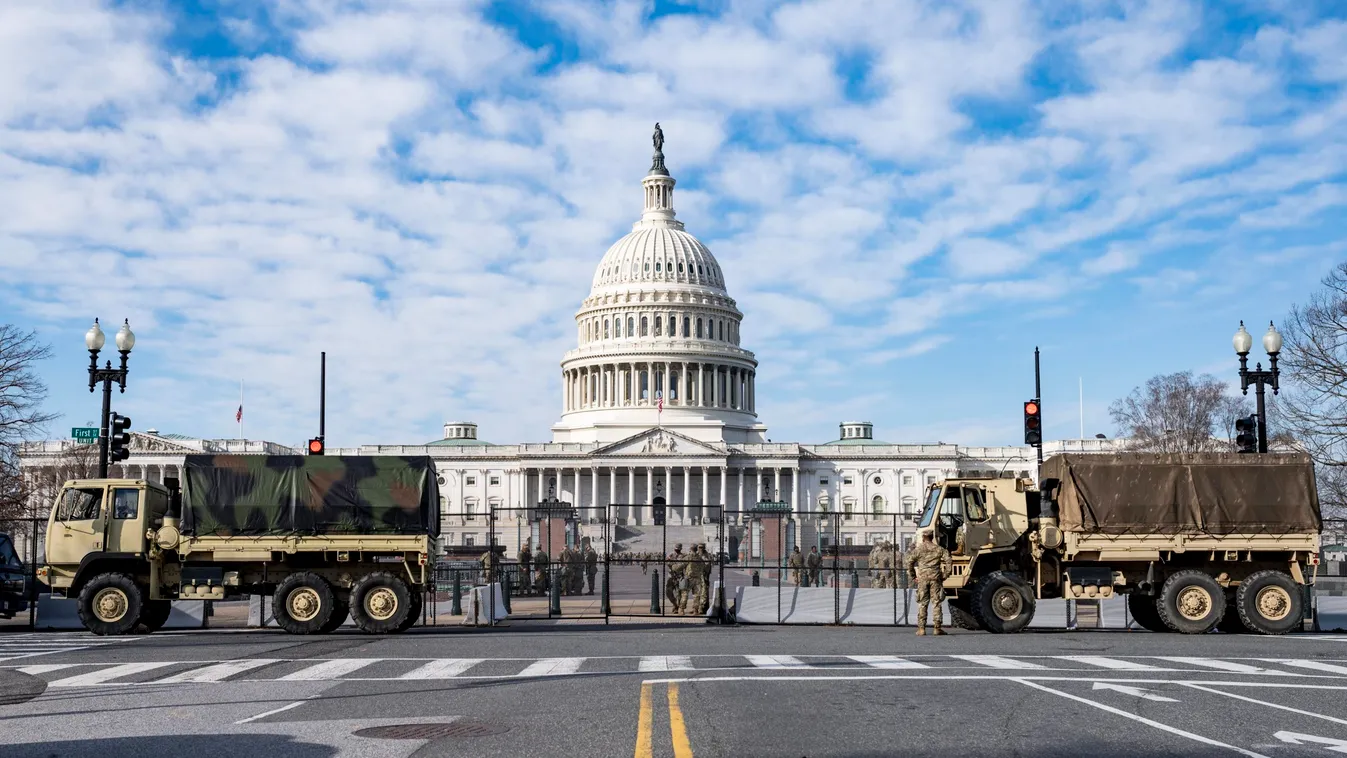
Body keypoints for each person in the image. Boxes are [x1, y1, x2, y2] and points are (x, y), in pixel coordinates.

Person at [905, 531, 953, 636]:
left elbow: (909, 562)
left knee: (922, 603)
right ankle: (937, 628)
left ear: (923, 538)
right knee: (936, 603)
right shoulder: (939, 549)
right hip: (935, 579)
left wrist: (913, 576)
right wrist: (945, 575)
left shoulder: (918, 550)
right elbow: (949, 560)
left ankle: (921, 629)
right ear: (932, 537)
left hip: (922, 579)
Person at [666, 543, 685, 613]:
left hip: (679, 577)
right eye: (675, 549)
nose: (676, 550)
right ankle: (675, 604)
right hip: (671, 576)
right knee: (668, 592)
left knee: (678, 593)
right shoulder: (671, 555)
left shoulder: (683, 556)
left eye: (678, 549)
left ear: (680, 549)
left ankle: (677, 608)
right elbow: (667, 563)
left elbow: (683, 565)